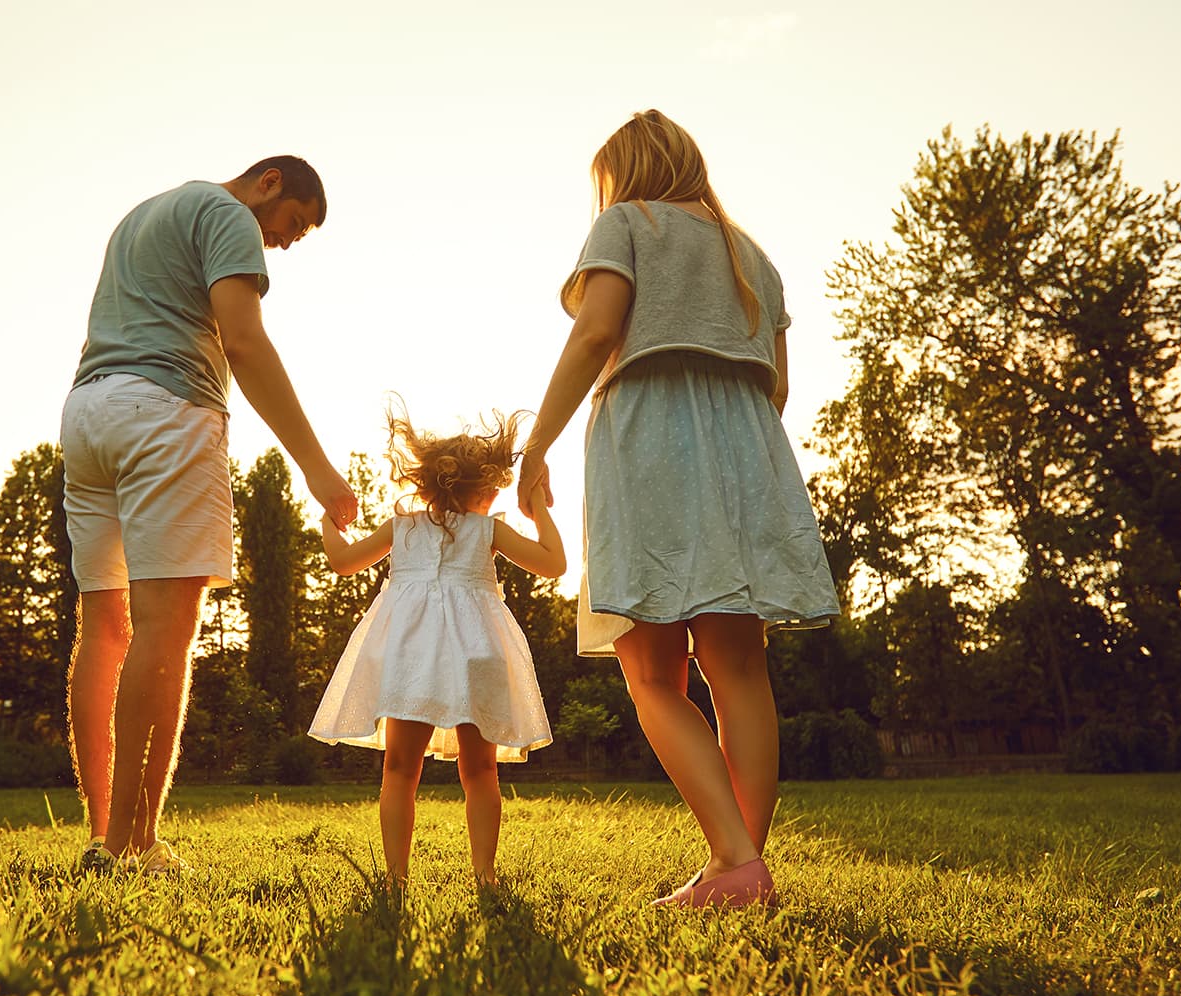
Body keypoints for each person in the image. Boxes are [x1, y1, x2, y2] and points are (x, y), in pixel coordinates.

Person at [517, 110, 841, 908]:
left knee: (652, 671)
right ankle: (739, 865)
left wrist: (537, 445)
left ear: (622, 174)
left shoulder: (627, 223)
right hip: (747, 451)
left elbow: (596, 333)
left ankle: (734, 862)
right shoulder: (753, 256)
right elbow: (779, 386)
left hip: (652, 443)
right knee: (738, 666)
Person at [63, 156, 359, 876]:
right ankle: (135, 844)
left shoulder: (144, 214)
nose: (283, 245)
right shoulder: (228, 215)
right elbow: (244, 341)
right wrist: (317, 469)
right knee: (166, 629)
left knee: (103, 627)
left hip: (88, 412)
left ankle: (106, 835)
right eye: (290, 224)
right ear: (268, 183)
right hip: (166, 413)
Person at [309, 407, 565, 888]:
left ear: (425, 485)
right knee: (481, 770)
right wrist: (539, 508)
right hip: (477, 652)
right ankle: (486, 875)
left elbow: (343, 561)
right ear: (486, 490)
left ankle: (395, 877)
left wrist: (330, 521)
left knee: (400, 769)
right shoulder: (487, 530)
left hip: (410, 655)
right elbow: (554, 564)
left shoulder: (401, 527)